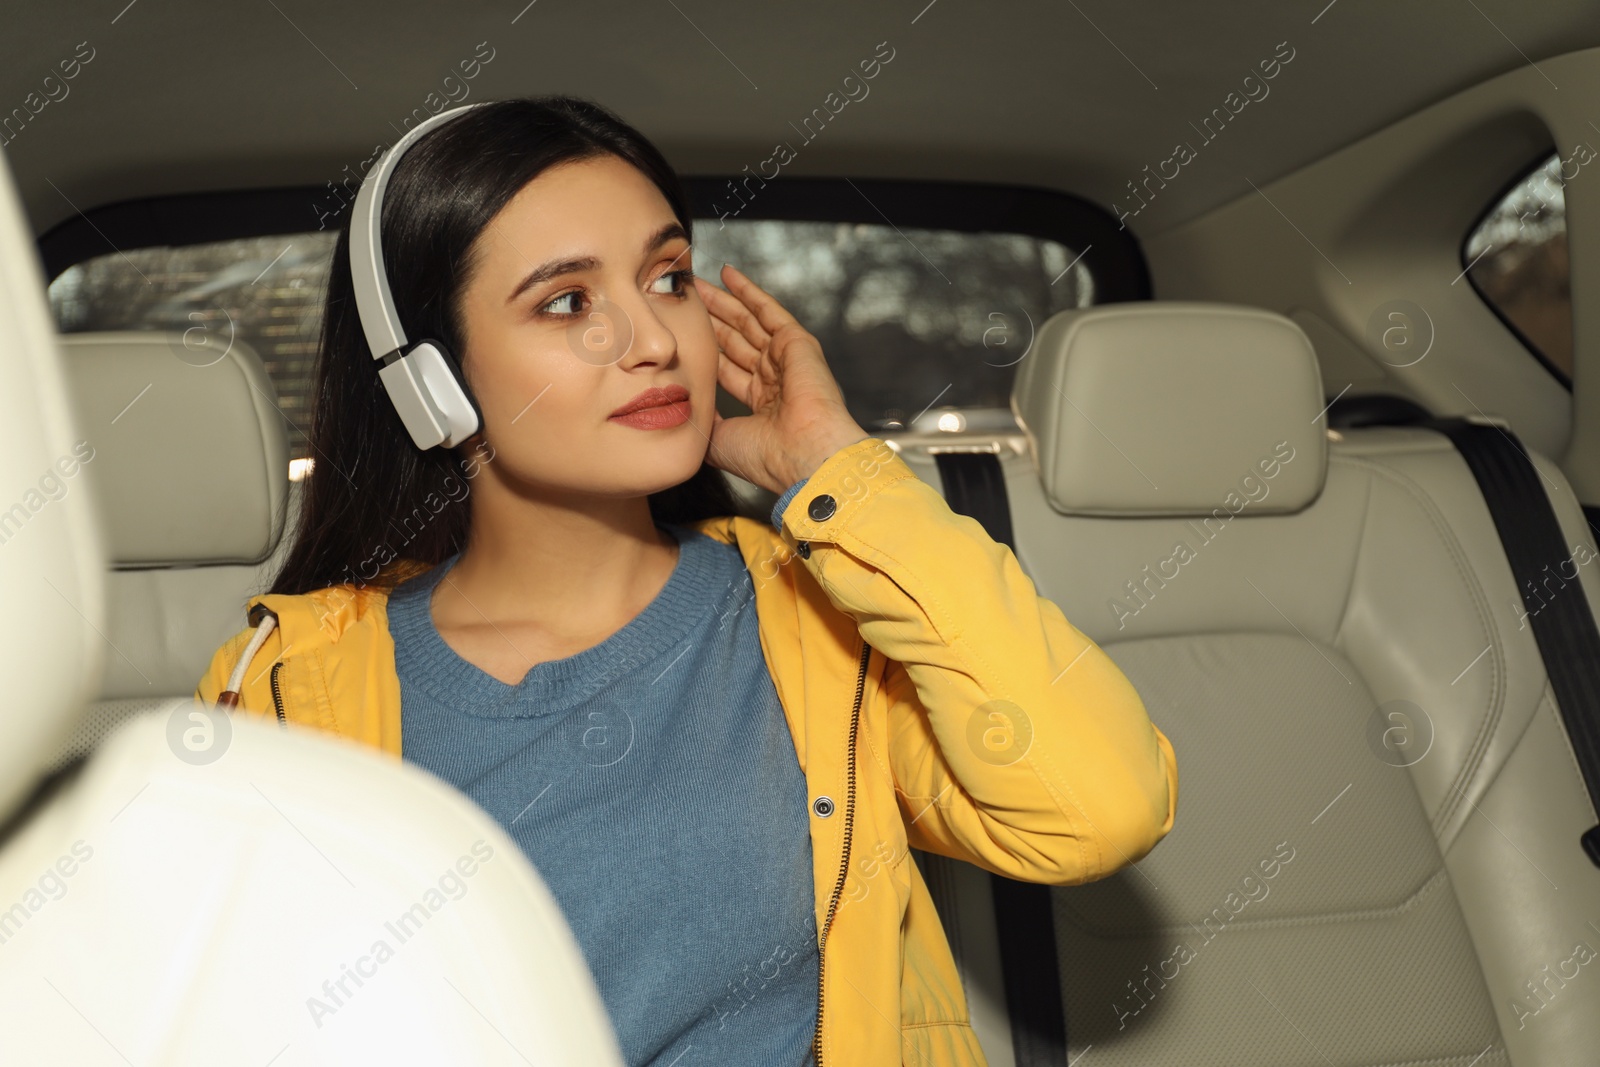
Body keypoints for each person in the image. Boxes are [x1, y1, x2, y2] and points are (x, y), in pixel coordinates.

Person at [195, 95, 1178, 1067]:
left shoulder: (818, 619)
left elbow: (1096, 808)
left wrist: (837, 473)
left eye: (667, 278)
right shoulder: (278, 693)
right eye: (568, 301)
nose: (655, 339)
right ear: (430, 382)